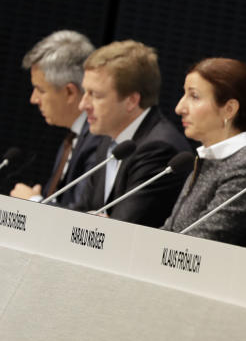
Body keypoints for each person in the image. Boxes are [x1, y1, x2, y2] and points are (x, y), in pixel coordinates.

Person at [160, 58, 246, 251]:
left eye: (194, 96)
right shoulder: (211, 158)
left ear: (229, 109)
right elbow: (172, 231)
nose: (179, 108)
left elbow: (198, 244)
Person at [73, 40, 192, 226]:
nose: (83, 105)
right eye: (85, 92)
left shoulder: (159, 149)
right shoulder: (108, 139)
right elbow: (81, 211)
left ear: (131, 101)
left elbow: (123, 229)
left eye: (95, 95)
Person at [9, 30, 105, 208]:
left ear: (69, 92)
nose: (33, 99)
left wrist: (33, 203)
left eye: (41, 90)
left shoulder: (98, 140)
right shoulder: (72, 138)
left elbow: (81, 216)